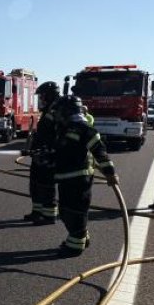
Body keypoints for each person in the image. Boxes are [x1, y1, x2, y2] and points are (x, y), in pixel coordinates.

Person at [52, 96, 119, 255]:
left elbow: (100, 153)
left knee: (75, 212)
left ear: (67, 111)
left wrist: (110, 173)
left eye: (60, 112)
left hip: (79, 179)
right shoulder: (64, 128)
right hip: (64, 178)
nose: (57, 115)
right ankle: (81, 236)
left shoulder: (86, 130)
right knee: (65, 211)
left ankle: (75, 246)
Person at [24, 81, 62, 224]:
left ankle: (49, 216)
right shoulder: (48, 110)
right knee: (35, 184)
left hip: (49, 156)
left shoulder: (58, 111)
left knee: (47, 186)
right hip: (40, 154)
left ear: (50, 95)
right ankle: (37, 212)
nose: (41, 99)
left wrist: (50, 150)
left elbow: (58, 134)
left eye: (42, 96)